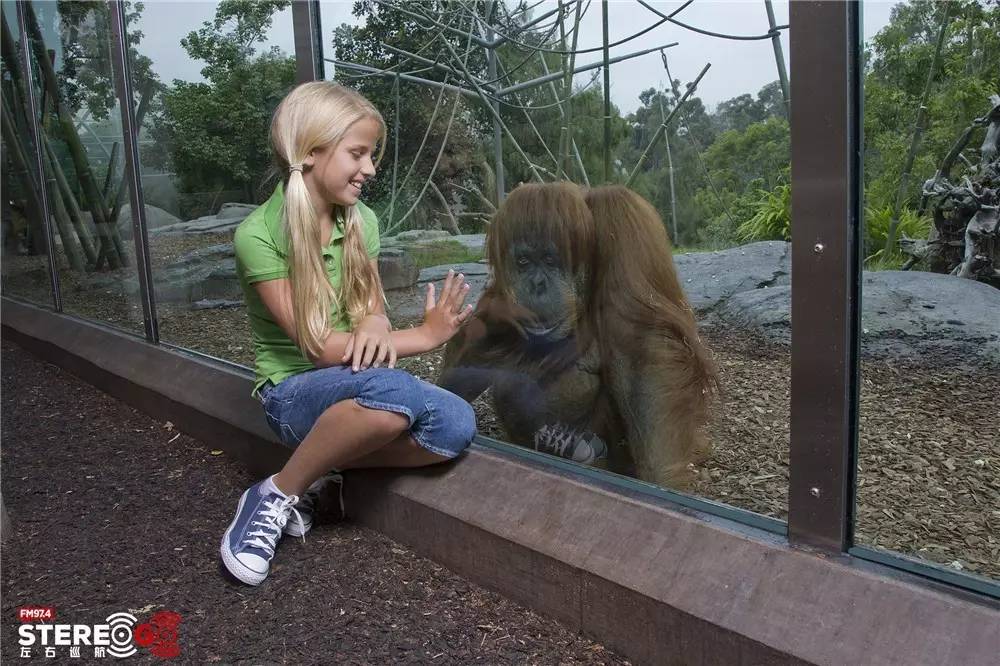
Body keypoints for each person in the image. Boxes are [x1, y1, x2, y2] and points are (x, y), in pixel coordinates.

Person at [221, 82, 477, 586]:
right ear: (311, 152)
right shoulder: (257, 236)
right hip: (292, 395)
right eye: (357, 153)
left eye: (371, 154)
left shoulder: (363, 221)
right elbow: (320, 351)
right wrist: (424, 337)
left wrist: (377, 322)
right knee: (396, 390)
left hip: (360, 383)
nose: (371, 168)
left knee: (456, 421)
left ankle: (330, 470)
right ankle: (273, 493)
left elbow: (371, 310)